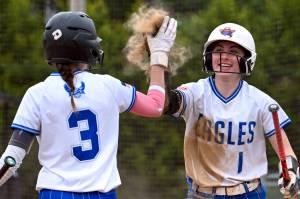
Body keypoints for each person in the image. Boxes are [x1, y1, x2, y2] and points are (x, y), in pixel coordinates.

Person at [0, 11, 177, 199]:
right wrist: (158, 57)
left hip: (56, 194)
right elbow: (156, 106)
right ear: (86, 47)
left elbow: (12, 159)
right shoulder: (109, 86)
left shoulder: (37, 93)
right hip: (102, 194)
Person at [164, 22, 299, 199]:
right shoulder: (194, 93)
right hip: (200, 195)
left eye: (233, 52)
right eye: (218, 50)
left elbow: (287, 153)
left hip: (249, 194)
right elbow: (165, 104)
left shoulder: (261, 102)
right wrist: (159, 61)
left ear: (248, 59)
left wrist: (289, 172)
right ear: (208, 56)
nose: (224, 57)